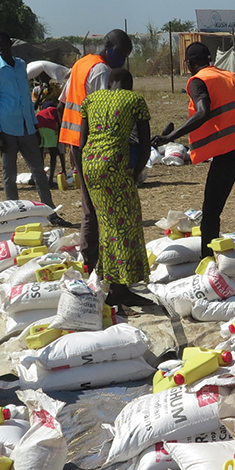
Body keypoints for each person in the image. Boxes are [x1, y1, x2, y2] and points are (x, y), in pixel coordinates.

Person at [152, 42, 235, 258]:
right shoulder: (231, 77)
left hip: (231, 152)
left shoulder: (199, 81)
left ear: (189, 63)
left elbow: (202, 111)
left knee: (211, 212)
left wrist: (170, 137)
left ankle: (207, 262)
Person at [78, 67, 152, 307]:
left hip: (90, 164)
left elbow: (82, 142)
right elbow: (144, 146)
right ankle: (120, 288)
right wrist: (134, 173)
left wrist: (84, 170)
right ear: (129, 85)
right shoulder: (135, 100)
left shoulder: (90, 99)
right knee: (125, 225)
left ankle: (110, 279)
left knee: (106, 224)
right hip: (115, 166)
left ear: (109, 84)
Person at [60, 29, 132, 270]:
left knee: (91, 203)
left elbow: (64, 102)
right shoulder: (101, 70)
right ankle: (92, 261)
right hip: (92, 144)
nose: (122, 60)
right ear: (108, 46)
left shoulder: (81, 64)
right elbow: (106, 111)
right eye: (121, 54)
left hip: (74, 140)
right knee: (96, 205)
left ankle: (93, 258)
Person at [0, 33, 72, 226]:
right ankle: (14, 216)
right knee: (10, 175)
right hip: (7, 128)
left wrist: (34, 124)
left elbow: (26, 95)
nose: (0, 48)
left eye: (2, 44)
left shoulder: (20, 64)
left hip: (27, 127)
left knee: (39, 172)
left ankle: (51, 213)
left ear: (10, 43)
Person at [36, 102, 63, 188]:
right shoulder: (55, 110)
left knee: (40, 153)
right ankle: (50, 180)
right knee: (53, 153)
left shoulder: (42, 112)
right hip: (49, 127)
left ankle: (39, 180)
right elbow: (60, 124)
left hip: (38, 126)